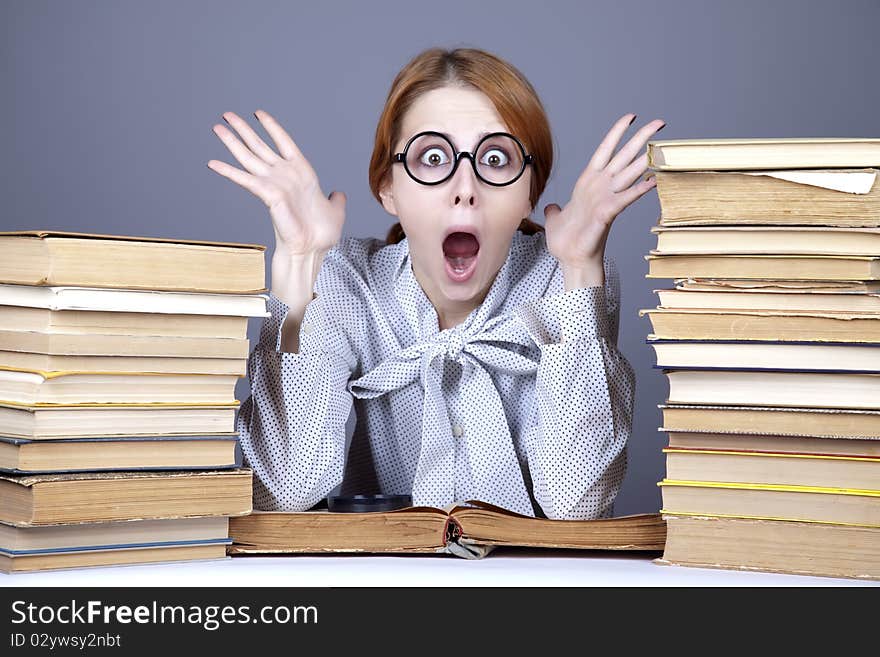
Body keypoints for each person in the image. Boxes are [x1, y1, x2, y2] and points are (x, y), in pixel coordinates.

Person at [207, 47, 664, 520]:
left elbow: (579, 505)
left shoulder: (563, 281)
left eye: (494, 158)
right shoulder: (345, 285)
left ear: (530, 191)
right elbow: (284, 493)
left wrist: (582, 267)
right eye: (432, 157)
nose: (465, 187)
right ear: (388, 187)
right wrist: (298, 266)